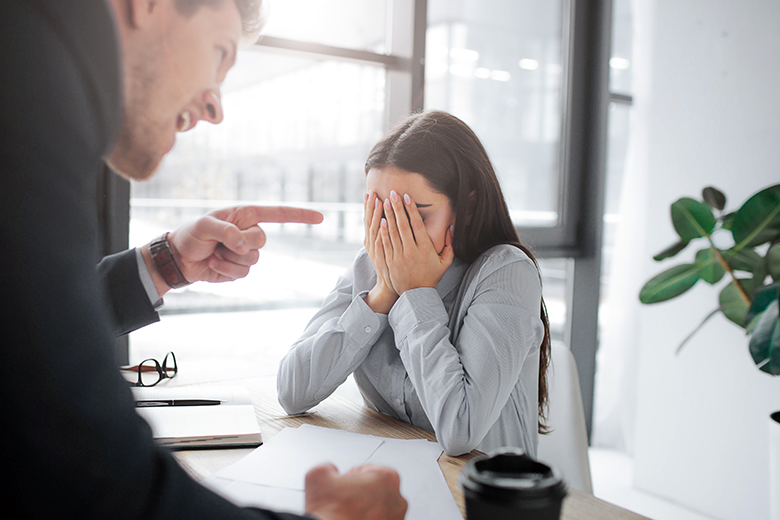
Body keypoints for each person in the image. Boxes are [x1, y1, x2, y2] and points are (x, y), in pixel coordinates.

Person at [0, 0, 407, 519]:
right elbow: (92, 481)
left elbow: (23, 327)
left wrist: (164, 262)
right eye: (219, 55)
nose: (216, 108)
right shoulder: (30, 94)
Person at [277, 110, 552, 457]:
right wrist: (381, 295)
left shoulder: (506, 272)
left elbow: (460, 430)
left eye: (416, 217)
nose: (394, 234)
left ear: (467, 208)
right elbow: (291, 392)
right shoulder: (370, 264)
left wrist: (415, 293)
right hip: (392, 478)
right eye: (381, 214)